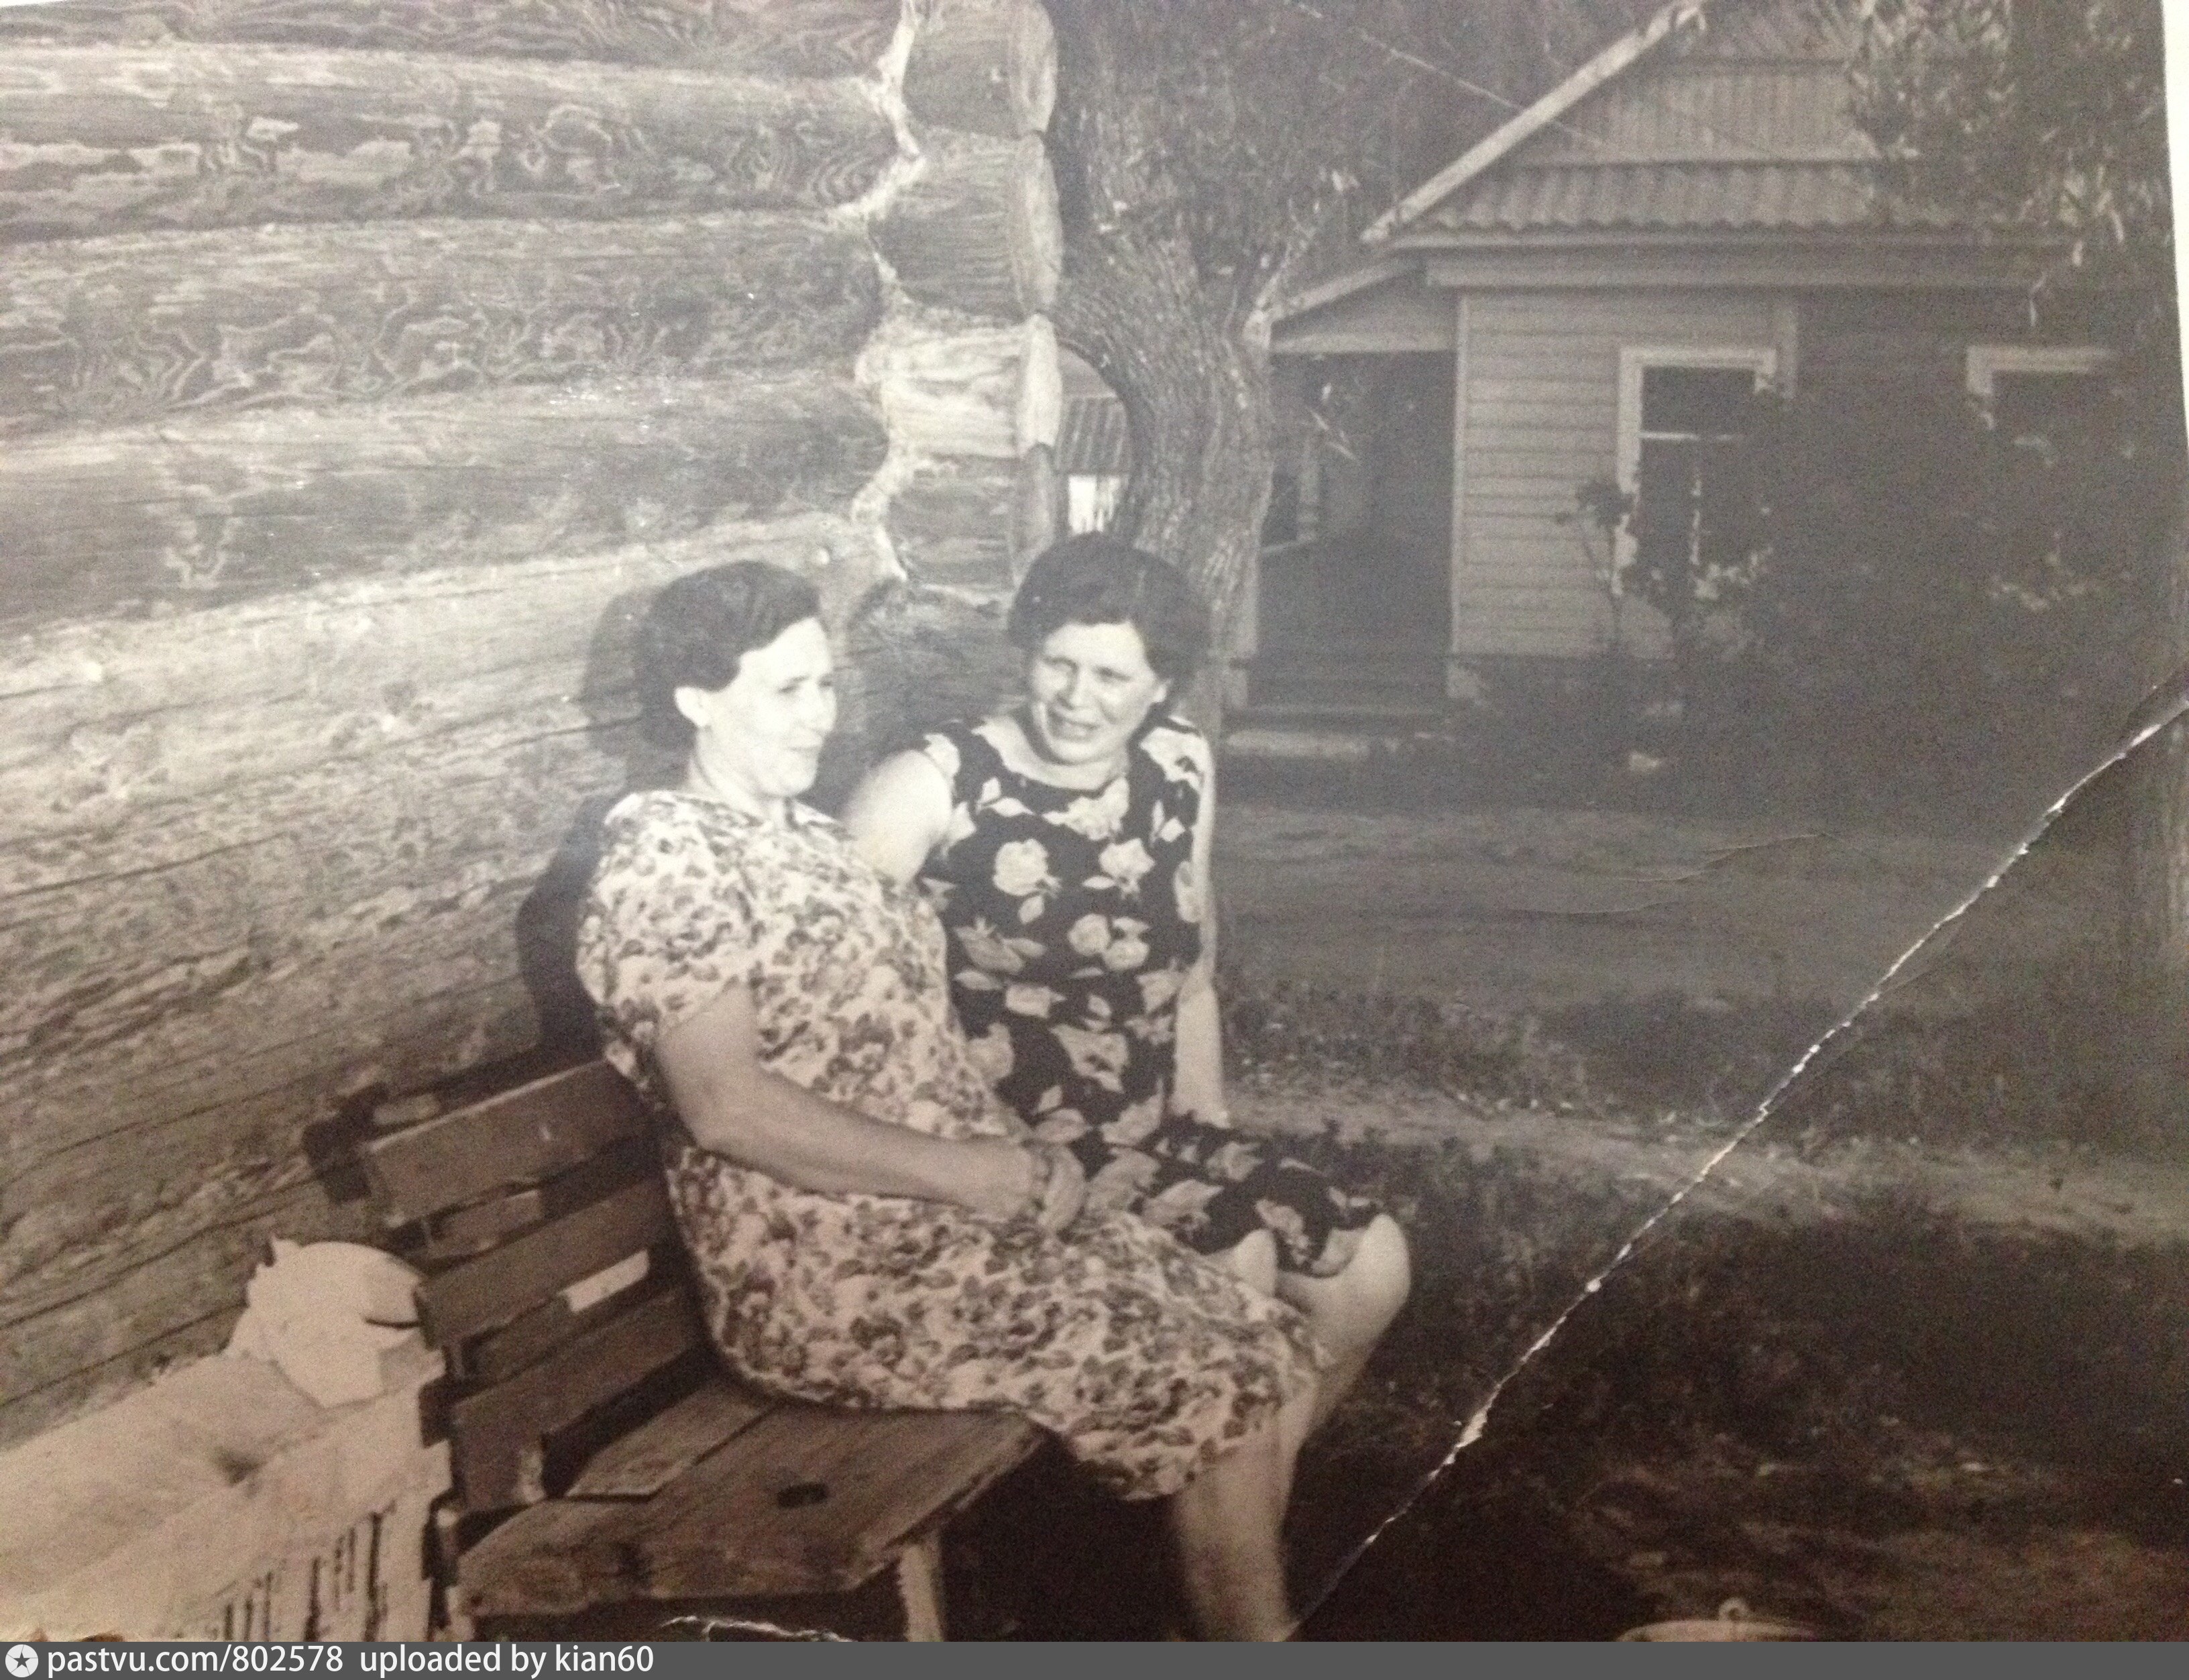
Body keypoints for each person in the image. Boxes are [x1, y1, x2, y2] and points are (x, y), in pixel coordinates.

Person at [573, 560, 1319, 1640]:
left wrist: (1015, 1156)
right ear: (696, 698)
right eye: (787, 690)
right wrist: (972, 1172)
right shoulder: (668, 859)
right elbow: (728, 1107)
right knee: (1212, 1376)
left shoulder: (806, 840)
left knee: (1259, 1338)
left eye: (826, 685)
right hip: (827, 1273)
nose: (820, 717)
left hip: (937, 1229)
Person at [844, 534, 1410, 1426]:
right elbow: (833, 1011)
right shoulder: (933, 783)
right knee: (1235, 1258)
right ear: (1026, 654)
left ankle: (1249, 1491)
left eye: (1111, 676)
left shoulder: (1178, 762)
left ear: (1161, 687)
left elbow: (1191, 970)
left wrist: (1209, 1121)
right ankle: (1213, 1501)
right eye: (1058, 664)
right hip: (1008, 1147)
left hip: (1149, 1124)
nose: (1077, 699)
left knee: (1372, 1266)